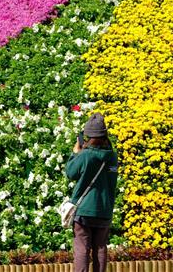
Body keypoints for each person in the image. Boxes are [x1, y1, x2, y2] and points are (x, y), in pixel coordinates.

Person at [66, 112, 118, 272]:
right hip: (104, 210)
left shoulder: (85, 155)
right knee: (100, 248)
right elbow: (112, 177)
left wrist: (76, 153)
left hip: (84, 211)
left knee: (82, 248)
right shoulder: (112, 158)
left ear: (87, 136)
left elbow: (70, 173)